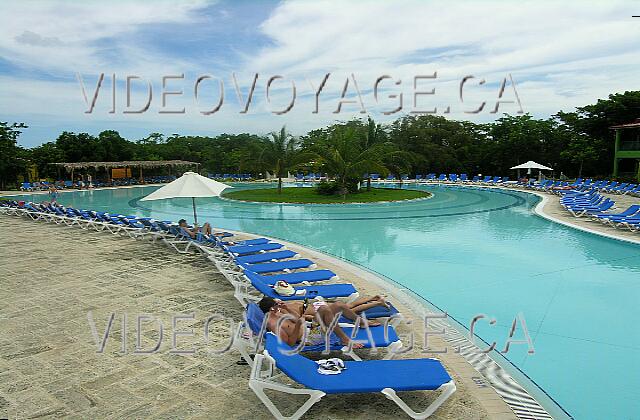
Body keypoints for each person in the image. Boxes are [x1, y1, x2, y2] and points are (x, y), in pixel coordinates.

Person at [257, 296, 390, 348]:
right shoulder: (274, 325)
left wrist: (287, 309)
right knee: (325, 309)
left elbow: (297, 319)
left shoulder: (279, 313)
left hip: (310, 327)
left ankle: (361, 322)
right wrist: (299, 325)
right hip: (309, 338)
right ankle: (345, 340)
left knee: (339, 305)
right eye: (277, 304)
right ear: (271, 308)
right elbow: (289, 343)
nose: (279, 305)